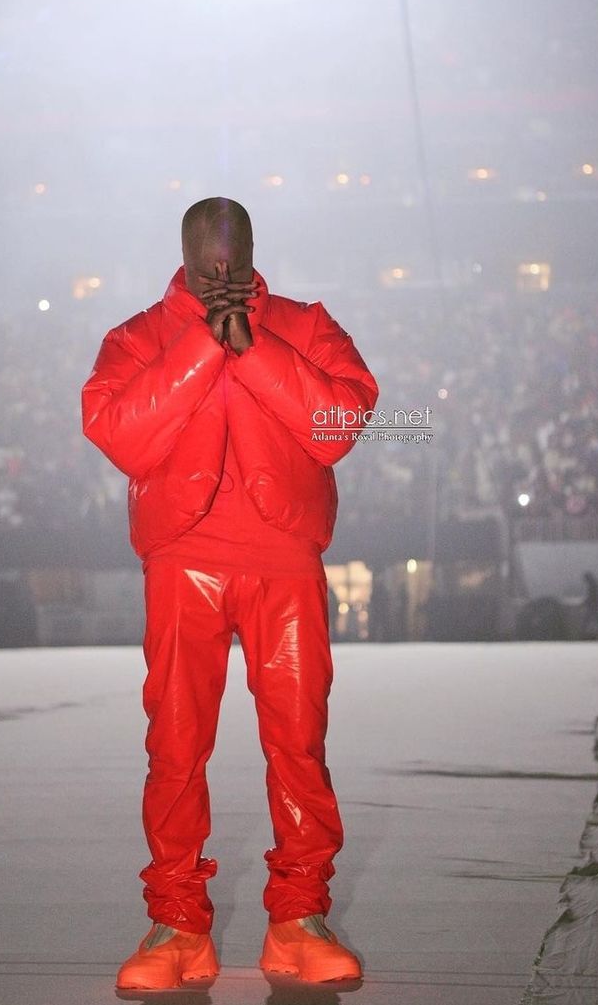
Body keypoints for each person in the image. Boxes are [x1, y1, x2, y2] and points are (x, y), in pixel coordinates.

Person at [81, 197, 378, 990]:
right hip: (184, 561)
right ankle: (176, 924)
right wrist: (199, 348)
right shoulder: (138, 337)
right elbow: (120, 433)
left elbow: (338, 426)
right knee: (175, 745)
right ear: (181, 256)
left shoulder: (305, 326)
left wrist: (250, 347)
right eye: (207, 264)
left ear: (252, 254)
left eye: (233, 263)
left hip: (284, 560)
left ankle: (299, 919)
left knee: (298, 741)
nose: (221, 276)